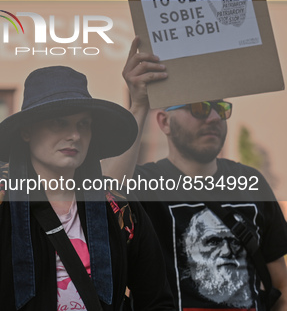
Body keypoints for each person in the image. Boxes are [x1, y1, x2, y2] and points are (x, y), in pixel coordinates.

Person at [0, 65, 174, 311]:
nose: (74, 134)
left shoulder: (120, 208)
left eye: (84, 124)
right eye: (59, 122)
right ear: (27, 131)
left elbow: (157, 300)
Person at [107, 36, 287, 311]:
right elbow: (105, 200)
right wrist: (139, 104)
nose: (213, 117)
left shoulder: (251, 183)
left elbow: (281, 286)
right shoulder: (145, 184)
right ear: (164, 122)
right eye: (199, 107)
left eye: (220, 107)